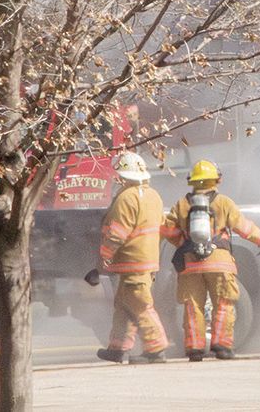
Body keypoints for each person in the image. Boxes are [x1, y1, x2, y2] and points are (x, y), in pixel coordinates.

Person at [162, 159, 260, 361]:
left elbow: (168, 231)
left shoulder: (182, 204)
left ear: (192, 181)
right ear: (217, 180)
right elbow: (244, 227)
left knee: (192, 306)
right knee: (224, 303)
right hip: (219, 262)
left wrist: (186, 244)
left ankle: (195, 349)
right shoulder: (224, 202)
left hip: (190, 264)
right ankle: (222, 346)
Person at [88, 150, 171, 364]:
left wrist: (103, 260)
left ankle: (156, 349)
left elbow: (116, 233)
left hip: (132, 262)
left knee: (139, 305)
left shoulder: (127, 197)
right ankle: (118, 348)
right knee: (124, 305)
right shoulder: (153, 195)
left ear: (124, 175)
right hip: (145, 262)